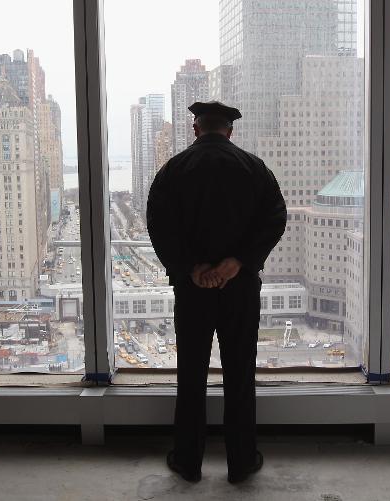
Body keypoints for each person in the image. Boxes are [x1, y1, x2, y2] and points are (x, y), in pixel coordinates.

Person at [147, 101, 287, 484]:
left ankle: (188, 461)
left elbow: (159, 225)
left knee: (190, 373)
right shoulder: (254, 168)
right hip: (239, 288)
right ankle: (241, 462)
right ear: (230, 130)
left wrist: (192, 267)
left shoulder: (173, 170)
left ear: (196, 129)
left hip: (193, 291)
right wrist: (238, 261)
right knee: (239, 373)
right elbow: (275, 217)